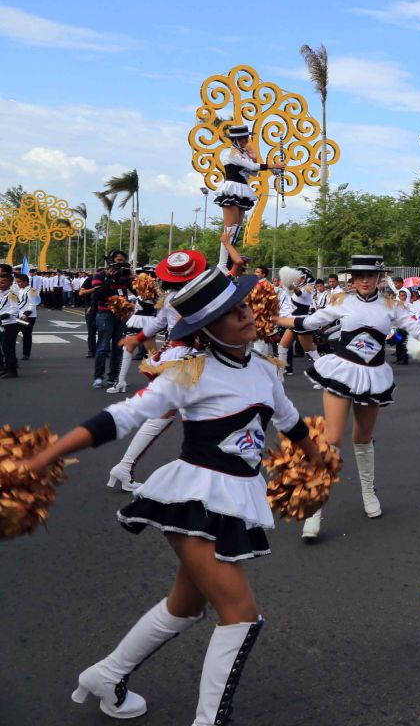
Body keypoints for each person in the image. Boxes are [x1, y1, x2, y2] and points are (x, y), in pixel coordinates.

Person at [15, 266, 326, 725]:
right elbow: (120, 417)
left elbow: (293, 423)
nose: (244, 315)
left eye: (242, 305)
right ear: (206, 329)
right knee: (241, 617)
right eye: (229, 313)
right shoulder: (190, 372)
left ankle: (106, 675)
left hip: (236, 499)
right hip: (194, 501)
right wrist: (44, 458)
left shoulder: (264, 368)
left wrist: (319, 465)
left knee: (185, 605)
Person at [276, 255, 420, 541]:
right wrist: (268, 318)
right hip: (341, 371)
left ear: (380, 277)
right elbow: (307, 322)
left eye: (370, 275)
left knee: (362, 438)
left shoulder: (391, 306)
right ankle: (315, 508)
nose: (364, 280)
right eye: (358, 275)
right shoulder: (341, 301)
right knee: (332, 439)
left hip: (374, 376)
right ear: (352, 278)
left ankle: (368, 492)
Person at [107, 250, 213, 492]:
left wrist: (137, 338)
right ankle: (126, 466)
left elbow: (158, 323)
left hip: (183, 357)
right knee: (171, 414)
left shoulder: (170, 297)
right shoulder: (190, 299)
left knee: (200, 413)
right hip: (186, 358)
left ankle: (201, 471)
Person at [213, 123, 261, 266]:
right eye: (244, 138)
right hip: (232, 188)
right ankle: (222, 263)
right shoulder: (231, 152)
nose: (247, 140)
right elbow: (253, 167)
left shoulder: (243, 154)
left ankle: (229, 259)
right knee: (230, 228)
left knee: (237, 228)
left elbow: (252, 172)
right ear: (237, 139)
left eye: (247, 137)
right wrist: (273, 166)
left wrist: (254, 156)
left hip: (242, 189)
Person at [91, 256, 132, 389]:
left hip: (121, 315)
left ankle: (113, 377)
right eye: (119, 260)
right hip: (105, 314)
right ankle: (98, 377)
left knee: (118, 348)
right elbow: (98, 296)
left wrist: (134, 278)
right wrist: (109, 280)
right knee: (103, 347)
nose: (122, 263)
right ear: (111, 262)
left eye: (123, 260)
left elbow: (136, 291)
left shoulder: (125, 275)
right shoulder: (100, 275)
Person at [0, 265, 19, 379]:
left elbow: (14, 309)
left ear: (9, 283)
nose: (0, 284)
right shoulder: (3, 294)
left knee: (9, 348)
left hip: (10, 324)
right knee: (5, 348)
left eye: (2, 283)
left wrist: (2, 316)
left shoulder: (11, 294)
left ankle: (12, 370)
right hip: (3, 324)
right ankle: (7, 368)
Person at [15, 271, 37, 363]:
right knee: (12, 334)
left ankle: (26, 354)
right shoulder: (20, 290)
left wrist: (26, 314)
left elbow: (33, 304)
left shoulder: (32, 290)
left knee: (26, 335)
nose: (18, 284)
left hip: (28, 317)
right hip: (19, 315)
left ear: (25, 281)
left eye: (19, 282)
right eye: (17, 282)